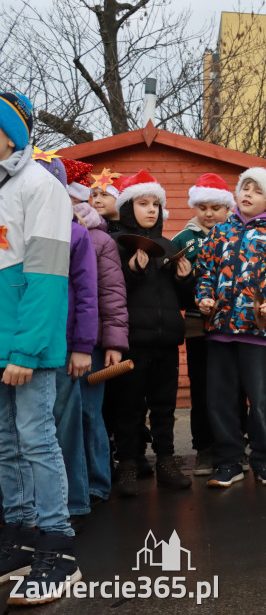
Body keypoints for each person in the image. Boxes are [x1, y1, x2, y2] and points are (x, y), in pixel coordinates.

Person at [0, 92, 82, 602]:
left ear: (11, 133)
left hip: (28, 349)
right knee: (6, 446)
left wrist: (25, 352)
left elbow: (47, 278)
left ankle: (59, 546)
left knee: (36, 442)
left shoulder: (39, 186)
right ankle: (22, 537)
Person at [196, 168, 266, 487]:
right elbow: (204, 272)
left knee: (260, 397)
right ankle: (228, 462)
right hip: (220, 330)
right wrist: (204, 297)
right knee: (221, 398)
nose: (248, 194)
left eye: (256, 190)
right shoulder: (219, 232)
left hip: (256, 331)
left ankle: (265, 460)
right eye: (244, 188)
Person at [108, 170, 194, 495]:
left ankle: (167, 463)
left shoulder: (169, 245)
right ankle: (128, 465)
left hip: (167, 340)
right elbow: (111, 292)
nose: (150, 210)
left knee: (164, 406)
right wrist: (132, 272)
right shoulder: (117, 244)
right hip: (130, 342)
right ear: (129, 207)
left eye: (155, 204)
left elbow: (183, 300)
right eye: (143, 203)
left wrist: (185, 278)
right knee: (128, 406)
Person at [35, 155, 98, 519]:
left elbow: (87, 294)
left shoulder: (75, 234)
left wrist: (82, 347)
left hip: (63, 349)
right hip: (24, 347)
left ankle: (73, 504)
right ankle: (29, 510)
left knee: (65, 429)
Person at [67, 163, 128, 505]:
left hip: (92, 343)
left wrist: (114, 344)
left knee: (91, 413)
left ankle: (97, 482)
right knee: (66, 416)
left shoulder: (99, 239)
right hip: (59, 339)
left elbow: (112, 294)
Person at [170, 173, 237, 476]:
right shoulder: (182, 242)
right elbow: (174, 292)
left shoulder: (239, 235)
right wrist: (184, 279)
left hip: (235, 325)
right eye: (203, 207)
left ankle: (234, 448)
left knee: (234, 388)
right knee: (202, 389)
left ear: (227, 209)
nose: (209, 214)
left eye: (216, 208)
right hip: (199, 327)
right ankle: (205, 450)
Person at [89, 168, 122, 235]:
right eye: (94, 195)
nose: (97, 200)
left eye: (104, 194)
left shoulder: (136, 229)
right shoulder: (88, 229)